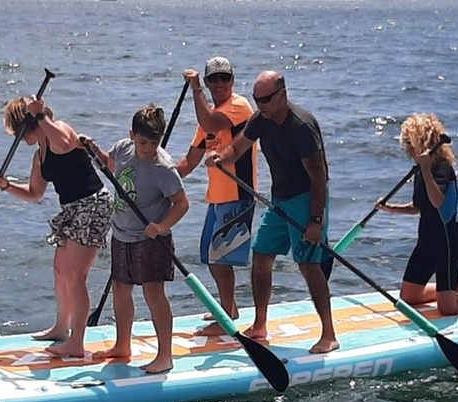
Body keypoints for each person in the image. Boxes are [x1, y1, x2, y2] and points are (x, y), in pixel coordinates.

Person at [206, 71, 339, 354]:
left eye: (265, 99)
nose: (261, 105)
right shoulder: (261, 120)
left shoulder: (302, 126)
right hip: (280, 199)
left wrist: (316, 220)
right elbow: (239, 147)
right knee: (262, 254)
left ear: (282, 94)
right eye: (257, 99)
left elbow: (319, 178)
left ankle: (329, 333)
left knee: (308, 264)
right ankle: (260, 325)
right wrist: (222, 156)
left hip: (307, 201)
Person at [0, 96, 113, 359]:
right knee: (60, 269)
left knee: (76, 275)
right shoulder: (40, 155)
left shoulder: (61, 130)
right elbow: (35, 193)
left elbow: (66, 142)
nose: (19, 138)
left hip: (93, 204)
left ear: (27, 125)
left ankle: (77, 343)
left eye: (18, 132)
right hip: (72, 209)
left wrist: (40, 116)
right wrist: (7, 186)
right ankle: (61, 328)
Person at [86, 104, 189, 374]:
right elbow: (111, 165)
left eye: (153, 142)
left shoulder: (163, 168)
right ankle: (122, 345)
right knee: (121, 289)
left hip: (151, 238)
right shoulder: (122, 148)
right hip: (121, 232)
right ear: (132, 135)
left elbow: (181, 203)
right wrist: (94, 150)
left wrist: (162, 226)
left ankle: (165, 355)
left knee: (153, 293)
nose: (148, 148)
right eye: (143, 142)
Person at [374, 113, 458, 314]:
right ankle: (452, 288)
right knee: (408, 297)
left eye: (409, 142)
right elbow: (418, 207)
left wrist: (425, 170)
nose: (406, 147)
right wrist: (389, 208)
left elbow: (438, 201)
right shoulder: (420, 170)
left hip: (447, 243)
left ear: (421, 142)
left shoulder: (442, 168)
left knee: (447, 308)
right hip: (426, 241)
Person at [175, 56, 258, 337]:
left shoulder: (238, 106)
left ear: (233, 81)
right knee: (211, 258)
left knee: (221, 259)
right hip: (217, 197)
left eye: (225, 78)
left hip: (238, 194)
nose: (220, 84)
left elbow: (211, 122)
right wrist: (157, 177)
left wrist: (195, 89)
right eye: (214, 79)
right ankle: (230, 308)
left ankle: (225, 319)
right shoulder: (205, 120)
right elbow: (188, 163)